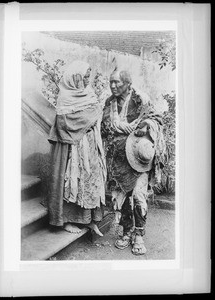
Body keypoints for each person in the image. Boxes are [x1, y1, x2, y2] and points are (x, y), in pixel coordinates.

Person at [101, 69, 166, 255]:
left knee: (138, 196)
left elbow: (156, 119)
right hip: (118, 159)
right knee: (121, 198)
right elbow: (105, 128)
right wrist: (111, 127)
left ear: (128, 84)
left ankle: (139, 235)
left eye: (117, 82)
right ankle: (127, 230)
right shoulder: (109, 103)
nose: (113, 86)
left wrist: (144, 126)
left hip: (138, 158)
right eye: (110, 82)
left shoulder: (140, 99)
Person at [47, 60, 107, 236]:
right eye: (84, 77)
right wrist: (89, 118)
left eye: (89, 77)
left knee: (88, 180)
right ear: (74, 78)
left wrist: (91, 117)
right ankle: (66, 220)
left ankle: (87, 220)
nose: (87, 81)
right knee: (71, 181)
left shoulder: (88, 93)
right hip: (72, 148)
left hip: (89, 146)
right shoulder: (65, 98)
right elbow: (64, 123)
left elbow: (95, 114)